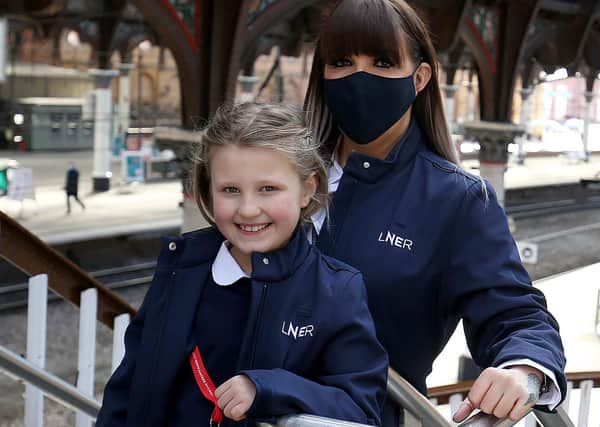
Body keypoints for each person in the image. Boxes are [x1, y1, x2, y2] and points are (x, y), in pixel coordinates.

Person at [303, 0, 567, 425]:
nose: (359, 76)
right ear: (324, 73)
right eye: (342, 61)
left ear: (419, 77)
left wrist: (524, 370)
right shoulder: (280, 172)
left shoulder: (457, 201)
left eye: (384, 62)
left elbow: (516, 314)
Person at [96, 102, 388, 427]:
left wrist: (269, 389)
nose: (248, 209)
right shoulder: (181, 270)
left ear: (308, 189)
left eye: (268, 189)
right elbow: (128, 387)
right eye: (230, 190)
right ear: (208, 190)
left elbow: (361, 408)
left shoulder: (336, 290)